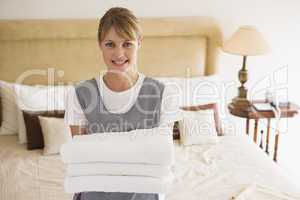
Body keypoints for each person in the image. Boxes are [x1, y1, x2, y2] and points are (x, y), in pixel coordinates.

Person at [64, 7, 180, 200]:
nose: (119, 53)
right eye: (110, 44)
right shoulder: (80, 94)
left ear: (139, 43)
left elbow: (161, 157)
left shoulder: (164, 94)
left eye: (127, 44)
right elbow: (81, 156)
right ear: (100, 45)